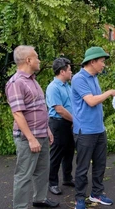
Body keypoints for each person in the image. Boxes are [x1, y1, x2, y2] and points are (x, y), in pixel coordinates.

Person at [5, 45, 59, 208]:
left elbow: (39, 108)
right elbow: (18, 114)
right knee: (24, 175)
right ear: (28, 60)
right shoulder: (16, 83)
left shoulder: (33, 81)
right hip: (28, 138)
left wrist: (47, 130)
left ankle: (40, 199)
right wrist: (31, 139)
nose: (39, 60)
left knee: (42, 170)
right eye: (36, 57)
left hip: (41, 134)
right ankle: (20, 206)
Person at [71, 47, 115, 209]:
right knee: (83, 167)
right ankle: (80, 197)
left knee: (100, 164)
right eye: (102, 61)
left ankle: (97, 194)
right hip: (84, 131)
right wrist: (110, 92)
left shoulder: (94, 77)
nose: (103, 65)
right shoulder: (79, 78)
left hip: (99, 129)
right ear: (92, 61)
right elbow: (91, 101)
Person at [46, 57, 75, 195]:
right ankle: (52, 183)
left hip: (69, 122)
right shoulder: (53, 87)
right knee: (56, 154)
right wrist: (75, 120)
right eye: (69, 70)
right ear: (62, 71)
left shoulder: (67, 86)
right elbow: (59, 109)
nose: (71, 72)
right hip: (58, 123)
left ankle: (67, 178)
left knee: (69, 151)